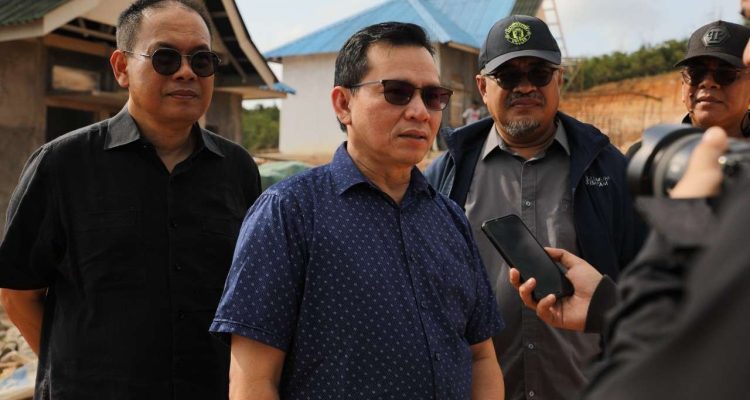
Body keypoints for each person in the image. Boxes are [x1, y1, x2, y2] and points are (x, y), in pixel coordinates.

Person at [209, 22, 505, 399]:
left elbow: (481, 355)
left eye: (433, 96)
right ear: (343, 104)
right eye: (397, 92)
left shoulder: (449, 218)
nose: (420, 111)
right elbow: (253, 380)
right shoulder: (288, 213)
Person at [0, 1, 261, 398]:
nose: (186, 72)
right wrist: (75, 372)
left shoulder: (237, 169)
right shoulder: (61, 165)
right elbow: (19, 293)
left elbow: (249, 293)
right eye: (165, 58)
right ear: (122, 67)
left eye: (201, 60)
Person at [425, 15, 646, 400]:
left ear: (559, 79)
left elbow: (644, 281)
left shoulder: (610, 170)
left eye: (539, 73)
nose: (525, 86)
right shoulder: (444, 176)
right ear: (483, 87)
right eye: (509, 75)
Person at [677, 20, 750, 137]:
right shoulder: (659, 146)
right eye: (696, 72)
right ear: (683, 87)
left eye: (726, 73)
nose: (707, 82)